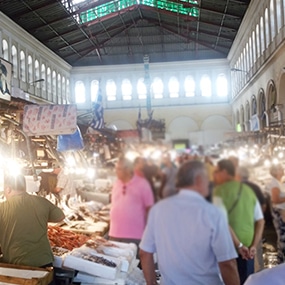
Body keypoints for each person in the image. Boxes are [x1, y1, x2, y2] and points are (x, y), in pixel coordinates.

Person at [139, 160, 240, 285]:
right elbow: (227, 263)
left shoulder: (158, 210)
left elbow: (145, 253)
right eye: (206, 179)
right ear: (198, 180)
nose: (208, 183)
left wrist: (152, 283)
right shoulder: (212, 213)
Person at [213, 159, 264, 285]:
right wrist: (253, 246)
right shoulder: (248, 191)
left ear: (224, 172)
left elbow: (221, 221)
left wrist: (239, 245)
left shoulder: (218, 192)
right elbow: (261, 221)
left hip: (228, 248)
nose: (214, 175)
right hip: (248, 249)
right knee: (247, 281)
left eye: (216, 171)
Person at [0, 173, 65, 267]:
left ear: (8, 189)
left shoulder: (2, 208)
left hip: (16, 265)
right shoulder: (42, 201)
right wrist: (41, 217)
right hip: (44, 262)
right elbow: (60, 217)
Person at [108, 155, 154, 251]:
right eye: (115, 168)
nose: (116, 171)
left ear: (128, 169)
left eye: (118, 169)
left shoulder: (142, 184)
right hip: (114, 234)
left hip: (135, 235)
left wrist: (148, 232)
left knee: (133, 263)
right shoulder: (117, 183)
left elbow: (150, 208)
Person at [236, 165, 266, 272]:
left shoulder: (234, 190)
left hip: (238, 236)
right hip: (253, 228)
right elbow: (263, 206)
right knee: (255, 252)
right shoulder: (254, 188)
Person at [264, 163, 285, 264]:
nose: (283, 170)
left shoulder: (278, 183)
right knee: (282, 238)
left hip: (281, 213)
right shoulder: (275, 184)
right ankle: (281, 261)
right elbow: (276, 199)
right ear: (276, 172)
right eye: (281, 169)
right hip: (280, 214)